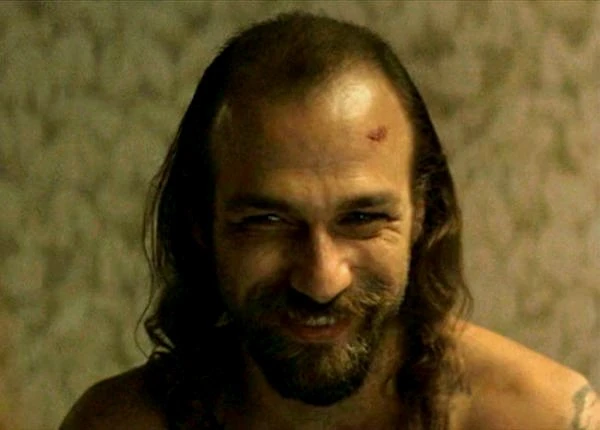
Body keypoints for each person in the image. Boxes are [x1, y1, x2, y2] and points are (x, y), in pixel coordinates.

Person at [60, 12, 599, 430]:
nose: (321, 280)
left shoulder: (544, 418)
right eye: (268, 220)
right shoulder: (115, 424)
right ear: (200, 224)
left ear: (422, 213)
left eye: (361, 218)